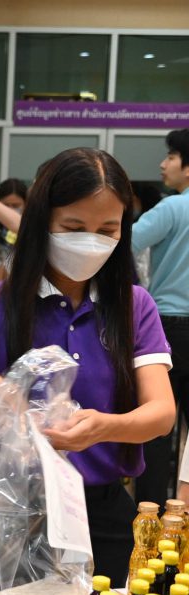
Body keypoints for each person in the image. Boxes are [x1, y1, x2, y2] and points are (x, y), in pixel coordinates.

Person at [0, 148, 176, 595]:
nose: (91, 241)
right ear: (42, 223)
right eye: (74, 228)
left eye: (107, 230)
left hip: (99, 512)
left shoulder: (134, 307)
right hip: (8, 509)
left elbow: (161, 414)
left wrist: (104, 428)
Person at [132, 129, 189, 505]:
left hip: (169, 326)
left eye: (170, 156)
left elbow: (123, 246)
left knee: (156, 427)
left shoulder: (172, 208)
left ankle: (148, 523)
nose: (163, 164)